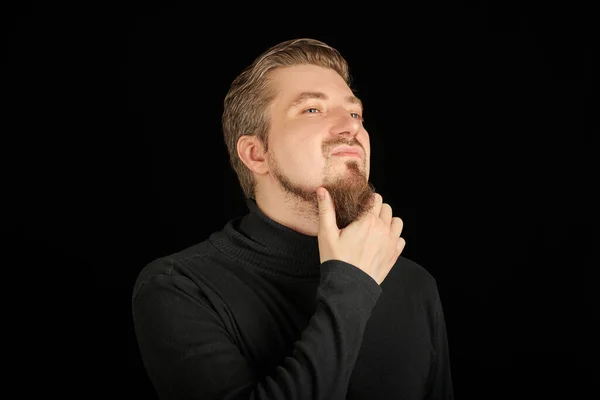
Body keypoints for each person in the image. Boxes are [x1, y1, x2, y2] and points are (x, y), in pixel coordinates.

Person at [132, 38, 453, 400]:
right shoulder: (179, 287)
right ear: (256, 154)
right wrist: (353, 286)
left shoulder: (414, 285)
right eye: (313, 110)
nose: (350, 127)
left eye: (355, 113)